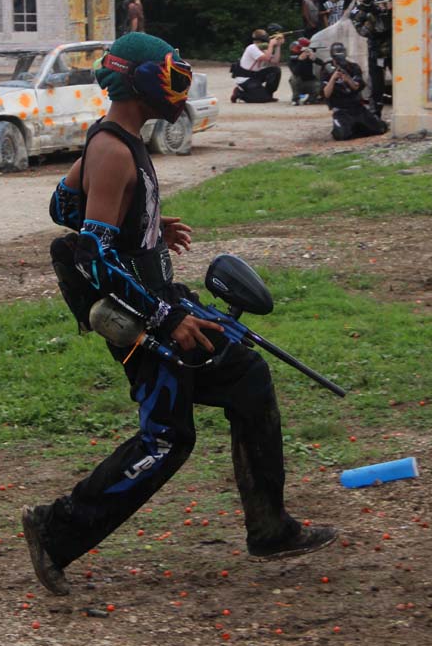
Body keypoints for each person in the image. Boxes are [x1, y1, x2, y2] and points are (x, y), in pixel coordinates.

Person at [24, 32, 337, 596]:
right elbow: (92, 255)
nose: (179, 90)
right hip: (147, 321)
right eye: (172, 77)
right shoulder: (113, 149)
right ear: (141, 81)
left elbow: (63, 206)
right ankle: (55, 530)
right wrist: (164, 319)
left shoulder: (116, 142)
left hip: (162, 304)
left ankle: (270, 528)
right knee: (166, 439)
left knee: (247, 377)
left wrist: (143, 225)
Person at [323, 42, 385, 140]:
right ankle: (351, 127)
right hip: (341, 110)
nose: (339, 61)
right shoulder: (326, 69)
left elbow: (357, 87)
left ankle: (358, 126)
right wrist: (333, 79)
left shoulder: (353, 67)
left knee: (380, 129)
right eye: (336, 58)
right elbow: (326, 94)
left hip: (357, 107)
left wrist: (348, 79)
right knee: (342, 135)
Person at [351, 0, 393, 118]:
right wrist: (371, 18)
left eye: (370, 0)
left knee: (402, 82)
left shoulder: (380, 4)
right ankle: (375, 115)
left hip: (393, 51)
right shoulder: (357, 13)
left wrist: (387, 11)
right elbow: (363, 32)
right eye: (366, 1)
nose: (369, 3)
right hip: (377, 52)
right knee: (376, 86)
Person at [231, 28, 282, 103]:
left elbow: (275, 61)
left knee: (275, 70)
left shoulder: (263, 49)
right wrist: (271, 45)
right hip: (245, 79)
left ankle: (269, 95)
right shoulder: (252, 48)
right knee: (261, 99)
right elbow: (266, 58)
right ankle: (239, 93)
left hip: (255, 75)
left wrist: (278, 46)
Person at [288, 37, 322, 105]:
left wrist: (314, 58)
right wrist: (300, 60)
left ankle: (311, 99)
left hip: (309, 81)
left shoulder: (308, 55)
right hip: (299, 83)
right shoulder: (293, 58)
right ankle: (295, 99)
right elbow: (296, 72)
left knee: (320, 85)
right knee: (293, 78)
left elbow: (322, 63)